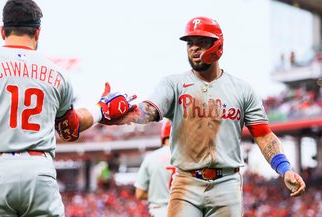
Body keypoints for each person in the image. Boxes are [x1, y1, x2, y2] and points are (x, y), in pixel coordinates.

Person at [106, 16, 306, 217]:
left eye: (201, 42)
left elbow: (263, 135)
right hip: (185, 182)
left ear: (218, 45)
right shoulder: (173, 84)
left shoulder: (242, 90)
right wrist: (131, 113)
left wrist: (284, 168)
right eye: (190, 43)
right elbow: (149, 109)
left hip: (227, 183)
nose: (193, 48)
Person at [0, 0, 134, 217]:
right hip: (39, 172)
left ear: (3, 31)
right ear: (38, 32)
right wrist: (100, 110)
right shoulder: (57, 72)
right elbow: (69, 129)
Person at [135, 120, 174, 217]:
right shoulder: (186, 157)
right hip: (182, 210)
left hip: (158, 211)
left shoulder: (151, 157)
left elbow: (139, 194)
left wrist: (158, 196)